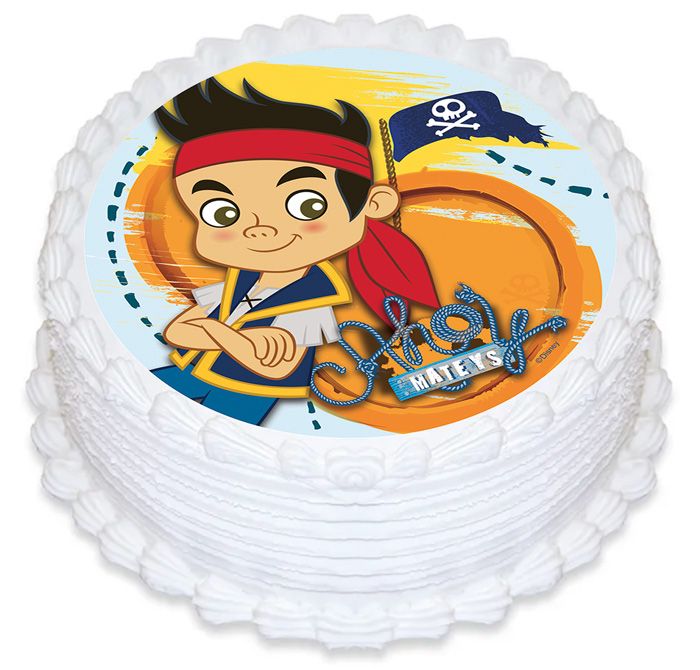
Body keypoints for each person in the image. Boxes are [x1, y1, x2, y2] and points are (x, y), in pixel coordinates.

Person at [151, 78, 438, 425]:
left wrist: (214, 331)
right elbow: (176, 332)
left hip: (245, 396)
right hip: (189, 374)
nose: (258, 228)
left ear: (373, 204)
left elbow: (274, 369)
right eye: (222, 213)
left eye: (306, 206)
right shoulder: (239, 281)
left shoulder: (312, 300)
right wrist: (236, 339)